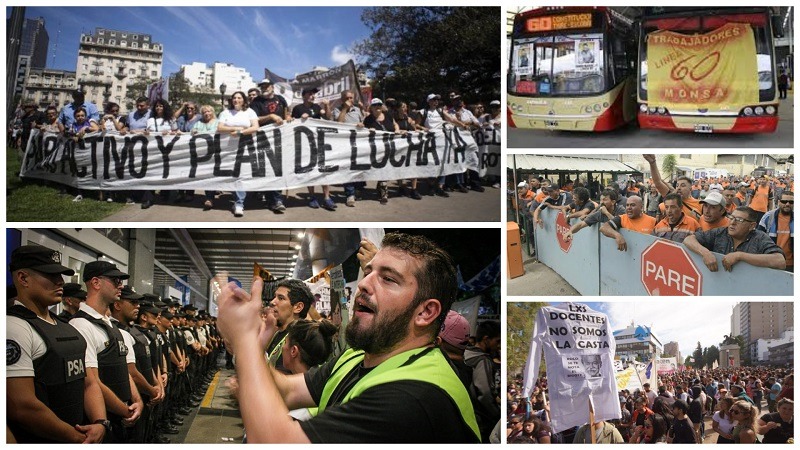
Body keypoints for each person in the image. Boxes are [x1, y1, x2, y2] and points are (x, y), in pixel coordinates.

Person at [216, 232, 481, 443]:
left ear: (425, 312)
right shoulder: (358, 356)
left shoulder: (416, 397)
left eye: (388, 278)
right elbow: (285, 390)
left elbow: (275, 441)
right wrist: (249, 344)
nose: (365, 283)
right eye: (369, 272)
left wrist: (245, 340)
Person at [6, 245, 107, 443]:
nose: (60, 281)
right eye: (50, 275)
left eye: (60, 275)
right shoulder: (14, 328)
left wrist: (100, 423)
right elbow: (22, 406)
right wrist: (78, 438)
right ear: (23, 278)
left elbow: (87, 382)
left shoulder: (64, 327)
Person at [70, 261, 144, 443]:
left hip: (122, 416)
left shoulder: (110, 325)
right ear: (96, 283)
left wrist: (137, 400)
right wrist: (125, 410)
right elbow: (91, 381)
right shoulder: (81, 325)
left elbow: (123, 369)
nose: (121, 286)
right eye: (115, 280)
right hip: (107, 419)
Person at [683, 206, 786, 272]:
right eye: (731, 218)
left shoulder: (760, 238)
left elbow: (780, 261)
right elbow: (689, 239)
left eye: (739, 220)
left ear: (752, 226)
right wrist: (705, 253)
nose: (732, 223)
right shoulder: (720, 232)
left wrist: (740, 256)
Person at [291, 87, 335, 211]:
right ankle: (312, 197)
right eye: (310, 93)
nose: (312, 96)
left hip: (319, 142)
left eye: (313, 94)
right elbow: (292, 124)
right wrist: (300, 119)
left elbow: (328, 118)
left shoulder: (317, 107)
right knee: (310, 171)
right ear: (303, 95)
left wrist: (327, 106)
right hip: (305, 144)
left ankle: (327, 198)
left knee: (323, 170)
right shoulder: (298, 108)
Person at [216, 91, 260, 217]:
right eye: (234, 98)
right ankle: (236, 199)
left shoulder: (250, 112)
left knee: (241, 175)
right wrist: (235, 129)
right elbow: (220, 127)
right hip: (227, 148)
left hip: (245, 147)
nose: (236, 100)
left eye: (239, 98)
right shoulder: (225, 112)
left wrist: (241, 133)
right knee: (232, 174)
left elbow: (255, 127)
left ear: (243, 100)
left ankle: (239, 203)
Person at [250, 78, 290, 214]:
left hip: (280, 139)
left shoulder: (281, 99)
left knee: (277, 169)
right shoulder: (256, 102)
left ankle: (277, 199)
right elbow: (254, 119)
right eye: (262, 86)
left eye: (267, 86)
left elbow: (286, 114)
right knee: (267, 170)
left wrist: (288, 118)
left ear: (272, 87)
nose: (264, 88)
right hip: (263, 139)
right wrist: (271, 116)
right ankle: (270, 198)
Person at [264, 279, 314, 374]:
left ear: (298, 307)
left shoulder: (300, 340)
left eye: (281, 298)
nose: (273, 302)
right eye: (275, 297)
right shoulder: (277, 333)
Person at [464, 320, 501, 442]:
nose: (499, 346)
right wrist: (496, 415)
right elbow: (484, 394)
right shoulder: (481, 361)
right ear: (486, 339)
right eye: (497, 341)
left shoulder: (465, 355)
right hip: (482, 422)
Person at [333, 89, 366, 207]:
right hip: (344, 144)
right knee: (347, 169)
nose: (349, 100)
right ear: (342, 99)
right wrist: (345, 109)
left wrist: (362, 125)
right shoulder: (337, 110)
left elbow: (364, 123)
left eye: (351, 98)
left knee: (359, 168)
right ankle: (350, 194)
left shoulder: (357, 110)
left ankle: (358, 190)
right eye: (347, 98)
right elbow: (339, 123)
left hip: (358, 143)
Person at [364, 98, 400, 205]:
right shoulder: (368, 119)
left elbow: (395, 125)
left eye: (379, 104)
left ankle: (381, 188)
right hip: (377, 150)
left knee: (387, 169)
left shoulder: (388, 115)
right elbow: (363, 131)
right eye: (375, 105)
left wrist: (397, 129)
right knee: (382, 169)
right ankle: (384, 192)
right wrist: (367, 130)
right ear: (371, 108)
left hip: (390, 147)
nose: (378, 106)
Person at [191, 105, 220, 210]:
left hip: (217, 154)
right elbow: (191, 132)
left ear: (212, 112)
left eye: (208, 111)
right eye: (204, 112)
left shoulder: (218, 122)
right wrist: (193, 132)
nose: (207, 114)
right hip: (204, 155)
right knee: (208, 176)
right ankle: (209, 198)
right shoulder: (198, 123)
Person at [758, 191, 793, 272]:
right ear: (778, 202)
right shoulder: (768, 217)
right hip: (770, 262)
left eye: (791, 202)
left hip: (791, 264)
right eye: (784, 201)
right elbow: (758, 237)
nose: (787, 204)